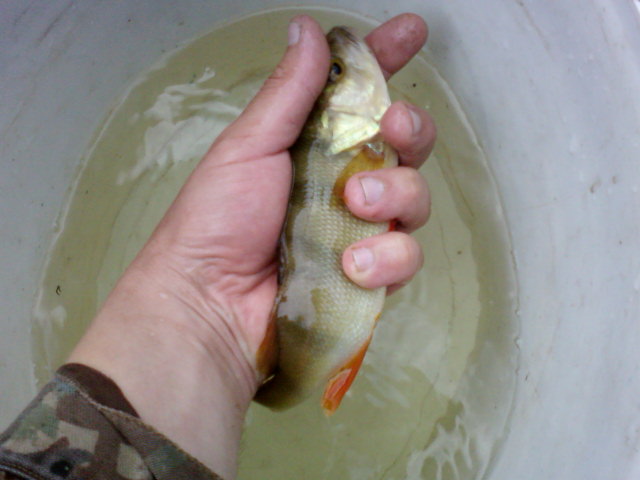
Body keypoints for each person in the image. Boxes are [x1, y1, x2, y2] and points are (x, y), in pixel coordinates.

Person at [0, 13, 436, 480]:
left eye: (333, 71)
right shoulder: (365, 143)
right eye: (335, 71)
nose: (335, 66)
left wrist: (209, 330)